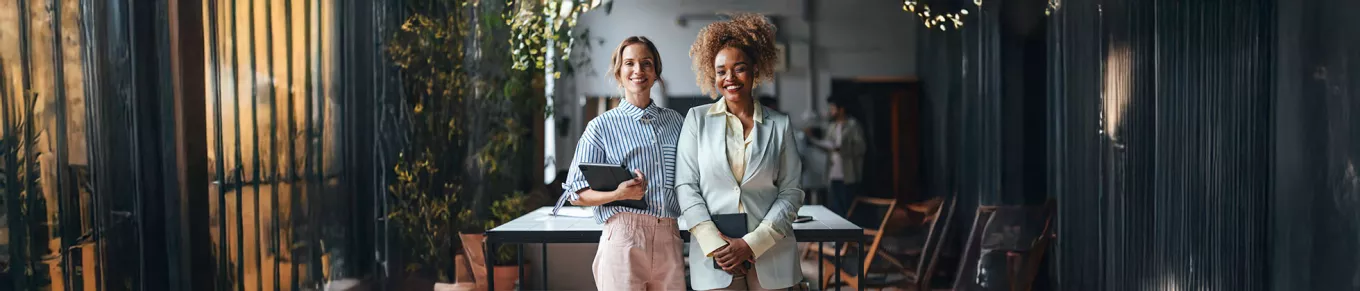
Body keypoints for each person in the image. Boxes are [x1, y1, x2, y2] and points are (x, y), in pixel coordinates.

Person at [677, 13, 805, 291]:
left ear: (755, 70)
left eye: (739, 68)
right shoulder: (695, 120)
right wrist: (717, 244)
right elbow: (686, 187)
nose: (730, 78)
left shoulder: (780, 125)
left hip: (772, 253)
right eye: (721, 71)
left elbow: (791, 191)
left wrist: (751, 244)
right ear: (714, 74)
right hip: (716, 257)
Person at [559, 36, 686, 290]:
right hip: (624, 237)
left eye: (646, 63)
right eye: (629, 63)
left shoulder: (676, 122)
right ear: (619, 73)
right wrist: (618, 193)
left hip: (670, 236)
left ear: (656, 72)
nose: (638, 70)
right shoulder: (601, 127)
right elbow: (575, 193)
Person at [805, 96, 866, 217]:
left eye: (833, 108)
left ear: (841, 109)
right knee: (835, 207)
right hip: (833, 173)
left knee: (848, 207)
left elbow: (861, 147)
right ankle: (837, 234)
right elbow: (828, 145)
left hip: (848, 173)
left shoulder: (853, 125)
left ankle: (850, 233)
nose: (831, 111)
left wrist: (842, 149)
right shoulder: (832, 126)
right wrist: (814, 141)